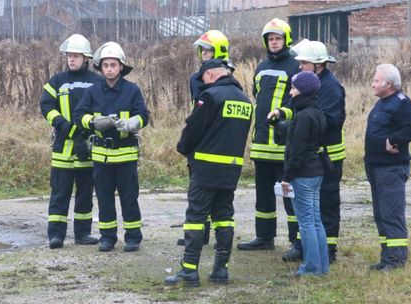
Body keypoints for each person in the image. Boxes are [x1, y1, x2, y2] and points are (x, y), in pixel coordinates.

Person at [164, 59, 252, 287]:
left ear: (211, 74)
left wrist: (182, 148)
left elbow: (194, 129)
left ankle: (189, 271)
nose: (203, 83)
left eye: (203, 79)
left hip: (205, 168)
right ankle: (221, 270)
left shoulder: (211, 97)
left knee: (196, 218)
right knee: (224, 217)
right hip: (231, 170)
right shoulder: (245, 101)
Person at [73, 41, 150, 252]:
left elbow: (144, 115)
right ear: (100, 67)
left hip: (126, 156)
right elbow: (78, 115)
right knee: (105, 199)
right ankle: (108, 237)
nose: (109, 69)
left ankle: (133, 236)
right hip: (101, 157)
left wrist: (134, 123)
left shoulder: (132, 90)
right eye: (105, 65)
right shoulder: (92, 91)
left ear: (121, 67)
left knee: (129, 198)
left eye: (113, 65)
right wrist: (91, 122)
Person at [275, 40, 346, 263]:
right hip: (309, 156)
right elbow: (292, 106)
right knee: (303, 205)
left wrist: (296, 128)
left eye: (304, 62)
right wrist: (280, 115)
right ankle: (302, 246)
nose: (300, 66)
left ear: (319, 64)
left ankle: (328, 250)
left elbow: (330, 121)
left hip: (328, 157)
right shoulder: (305, 83)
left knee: (326, 204)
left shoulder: (331, 87)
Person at [237, 18, 300, 251]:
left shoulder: (295, 66)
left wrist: (283, 115)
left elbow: (298, 102)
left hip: (283, 143)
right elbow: (257, 95)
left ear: (286, 39)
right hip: (261, 142)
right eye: (270, 39)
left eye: (278, 38)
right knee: (263, 194)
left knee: (289, 194)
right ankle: (264, 238)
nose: (274, 42)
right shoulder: (262, 67)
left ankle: (297, 240)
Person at [39, 34, 102, 249]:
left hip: (88, 147)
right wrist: (66, 128)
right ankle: (56, 235)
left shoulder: (98, 81)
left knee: (85, 193)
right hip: (63, 148)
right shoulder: (57, 81)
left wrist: (86, 133)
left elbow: (102, 109)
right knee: (60, 193)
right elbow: (46, 107)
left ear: (86, 58)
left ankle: (82, 234)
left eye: (75, 56)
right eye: (69, 56)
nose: (71, 59)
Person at [176, 30, 233, 247]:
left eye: (208, 50)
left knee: (214, 194)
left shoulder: (226, 73)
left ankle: (214, 234)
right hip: (200, 135)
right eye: (202, 50)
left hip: (218, 139)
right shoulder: (195, 78)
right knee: (197, 189)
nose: (204, 54)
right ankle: (201, 233)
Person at [365, 64, 411, 271]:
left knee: (391, 214)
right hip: (375, 167)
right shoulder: (382, 103)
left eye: (377, 81)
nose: (373, 84)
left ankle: (396, 261)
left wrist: (392, 140)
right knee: (381, 214)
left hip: (391, 169)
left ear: (389, 84)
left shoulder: (401, 103)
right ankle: (386, 258)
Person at [281, 71, 329, 277]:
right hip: (316, 171)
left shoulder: (303, 116)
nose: (291, 92)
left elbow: (296, 150)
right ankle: (322, 266)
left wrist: (286, 177)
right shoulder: (317, 112)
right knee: (316, 220)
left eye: (293, 88)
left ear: (302, 90)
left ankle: (311, 267)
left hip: (303, 174)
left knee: (306, 222)